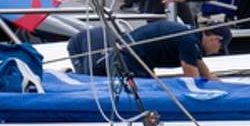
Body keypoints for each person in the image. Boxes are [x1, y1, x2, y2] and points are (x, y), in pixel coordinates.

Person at [67, 17, 224, 79]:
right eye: (219, 48)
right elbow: (192, 80)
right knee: (92, 78)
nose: (216, 52)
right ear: (217, 39)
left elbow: (202, 68)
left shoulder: (191, 35)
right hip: (127, 59)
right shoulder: (190, 41)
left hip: (129, 55)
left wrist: (219, 85)